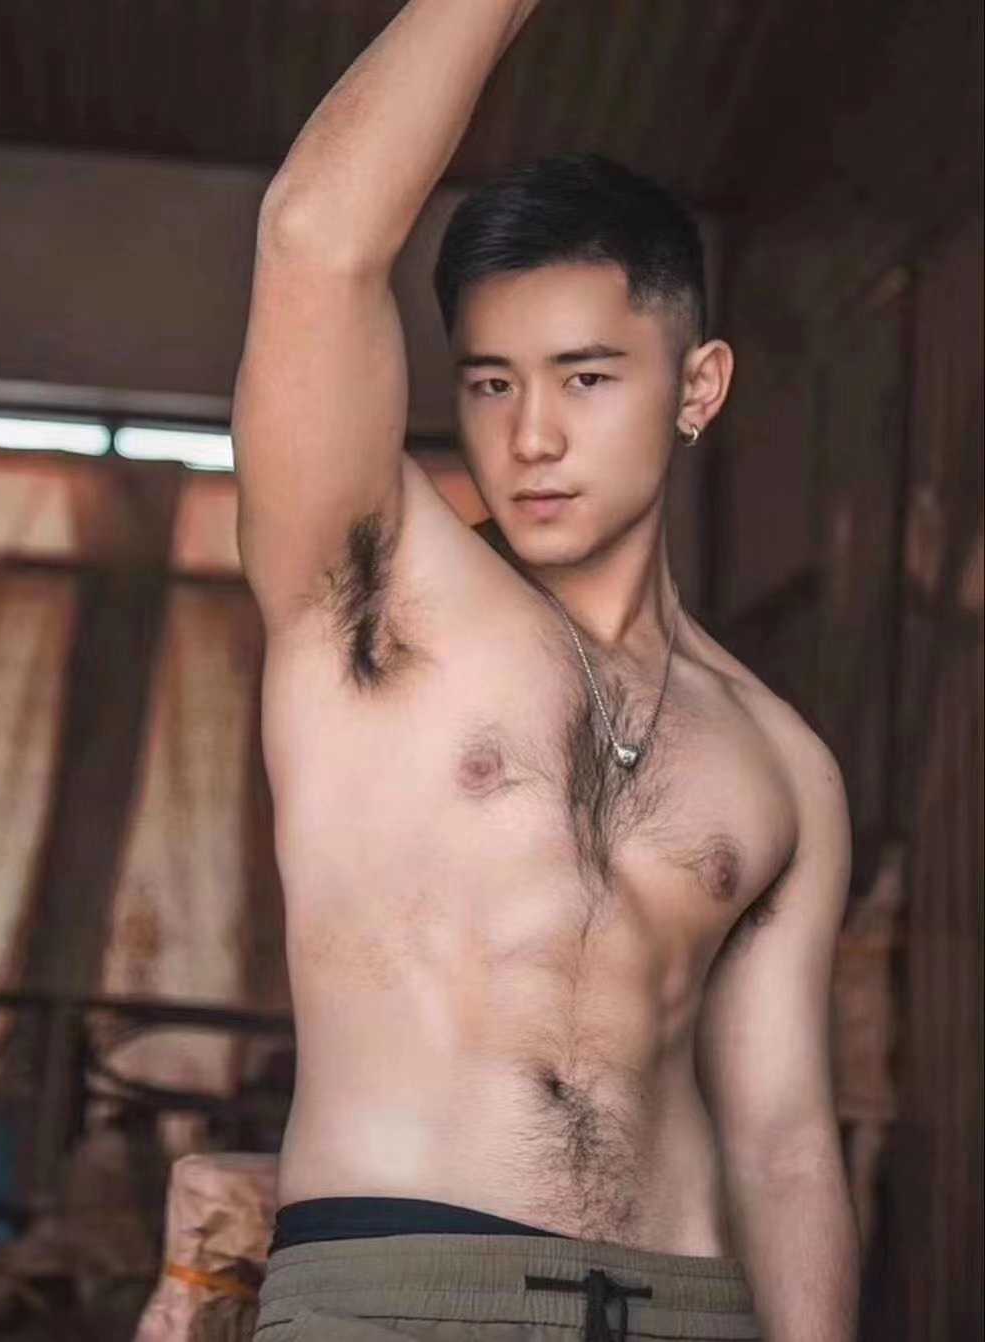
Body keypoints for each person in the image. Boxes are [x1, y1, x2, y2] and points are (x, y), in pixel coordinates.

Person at [235, 2, 860, 1338]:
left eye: (585, 378)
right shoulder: (378, 601)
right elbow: (314, 239)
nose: (531, 436)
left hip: (685, 1306)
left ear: (697, 388)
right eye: (491, 384)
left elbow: (786, 1144)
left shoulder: (783, 764)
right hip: (395, 1295)